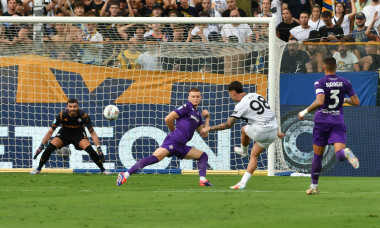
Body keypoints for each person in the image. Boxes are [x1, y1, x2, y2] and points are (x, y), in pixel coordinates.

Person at [117, 88, 213, 187]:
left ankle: (202, 180)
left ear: (201, 98)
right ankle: (125, 175)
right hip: (174, 141)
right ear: (189, 98)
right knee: (154, 158)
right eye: (193, 96)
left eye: (197, 96)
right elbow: (168, 118)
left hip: (182, 145)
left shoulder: (198, 115)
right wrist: (173, 131)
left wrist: (207, 118)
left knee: (203, 156)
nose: (195, 99)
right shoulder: (187, 107)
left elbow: (204, 134)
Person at [202, 81, 285, 190]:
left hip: (262, 131)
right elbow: (267, 115)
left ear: (233, 93)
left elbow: (228, 124)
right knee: (254, 155)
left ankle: (243, 151)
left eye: (230, 94)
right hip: (273, 131)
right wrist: (278, 131)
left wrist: (209, 128)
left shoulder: (241, 104)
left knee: (244, 129)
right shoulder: (257, 95)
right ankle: (242, 183)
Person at [298, 56, 360, 195]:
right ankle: (346, 152)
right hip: (337, 121)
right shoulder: (345, 82)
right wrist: (344, 99)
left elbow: (320, 101)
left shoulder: (320, 82)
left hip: (322, 121)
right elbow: (356, 102)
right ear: (336, 67)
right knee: (339, 155)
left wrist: (305, 111)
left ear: (323, 68)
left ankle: (314, 187)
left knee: (318, 156)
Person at [31, 98, 111, 175]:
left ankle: (103, 170)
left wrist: (99, 148)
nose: (72, 109)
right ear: (67, 107)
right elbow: (50, 131)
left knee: (90, 149)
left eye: (74, 106)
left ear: (78, 107)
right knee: (49, 148)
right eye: (70, 106)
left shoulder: (83, 116)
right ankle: (38, 168)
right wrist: (41, 146)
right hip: (64, 134)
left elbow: (93, 133)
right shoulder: (61, 115)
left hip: (79, 135)